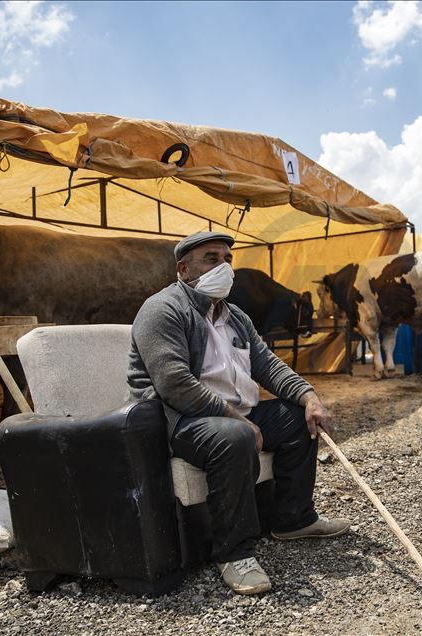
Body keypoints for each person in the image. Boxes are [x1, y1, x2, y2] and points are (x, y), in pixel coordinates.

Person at [127, 231, 349, 596]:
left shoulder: (235, 316)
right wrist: (236, 419)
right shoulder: (163, 309)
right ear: (183, 269)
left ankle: (294, 519)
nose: (224, 266)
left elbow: (268, 365)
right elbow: (174, 384)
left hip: (233, 415)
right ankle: (234, 553)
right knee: (236, 436)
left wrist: (309, 395)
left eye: (227, 258)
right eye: (211, 258)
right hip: (178, 419)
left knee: (297, 417)